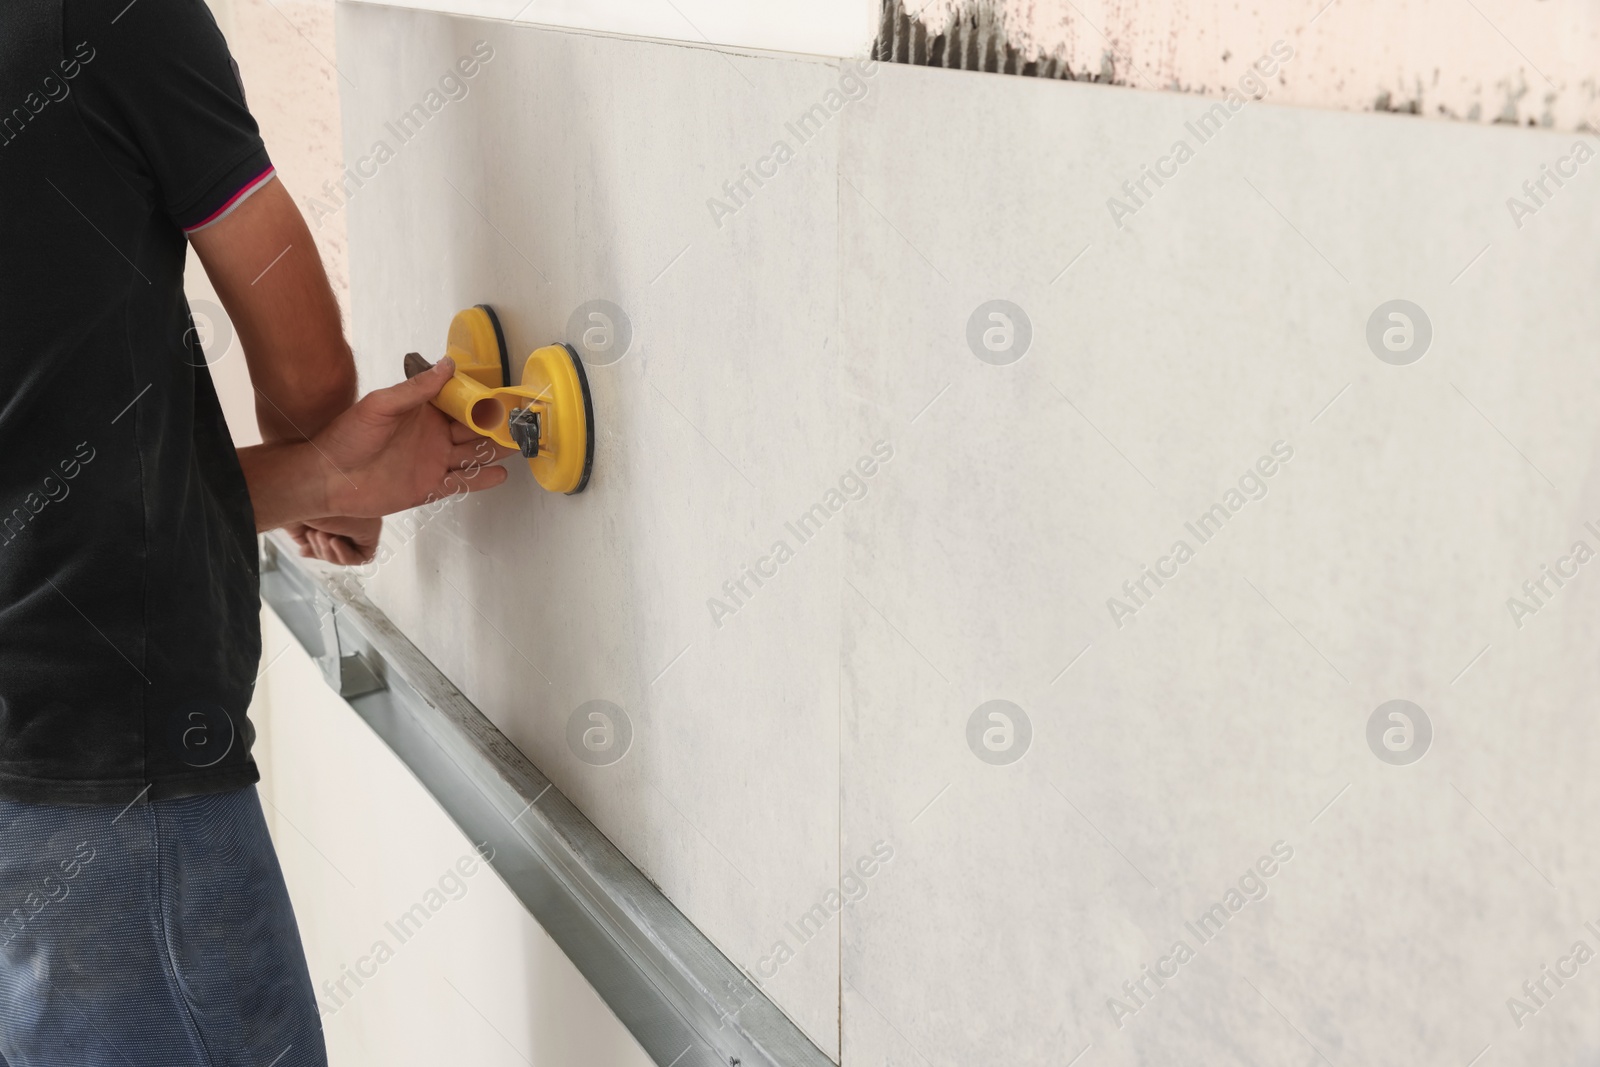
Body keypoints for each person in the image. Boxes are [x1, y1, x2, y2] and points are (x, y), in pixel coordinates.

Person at [0, 0, 515, 1062]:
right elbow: (297, 343)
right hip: (108, 787)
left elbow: (44, 483)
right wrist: (330, 458)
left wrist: (322, 474)